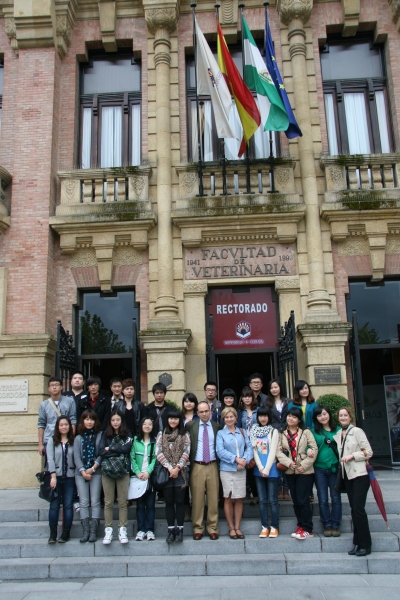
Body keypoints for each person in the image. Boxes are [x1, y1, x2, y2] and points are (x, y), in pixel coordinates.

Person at [334, 406, 373, 556]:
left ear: (350, 417)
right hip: (347, 476)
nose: (343, 418)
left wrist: (353, 456)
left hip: (360, 475)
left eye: (345, 415)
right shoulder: (338, 434)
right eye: (341, 416)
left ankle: (366, 544)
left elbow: (368, 451)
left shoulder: (357, 431)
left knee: (358, 509)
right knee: (354, 510)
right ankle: (357, 542)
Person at [276, 407, 318, 540]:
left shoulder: (306, 432)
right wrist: (288, 463)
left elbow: (314, 449)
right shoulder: (282, 433)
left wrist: (304, 465)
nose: (290, 418)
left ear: (299, 420)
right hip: (290, 471)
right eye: (289, 416)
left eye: (294, 417)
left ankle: (308, 528)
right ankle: (300, 525)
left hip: (304, 472)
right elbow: (278, 452)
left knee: (303, 500)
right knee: (295, 500)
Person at [216, 407, 252, 539]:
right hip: (227, 469)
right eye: (226, 417)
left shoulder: (242, 432)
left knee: (239, 498)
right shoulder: (221, 434)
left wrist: (244, 461)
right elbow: (220, 451)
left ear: (236, 418)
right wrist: (236, 460)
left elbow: (249, 447)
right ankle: (231, 527)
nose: (229, 419)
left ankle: (238, 527)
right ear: (223, 419)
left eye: (231, 417)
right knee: (228, 497)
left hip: (241, 470)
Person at [186, 401, 221, 540]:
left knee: (213, 499)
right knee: (197, 499)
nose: (204, 414)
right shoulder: (190, 426)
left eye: (206, 411)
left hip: (212, 465)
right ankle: (198, 528)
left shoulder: (216, 427)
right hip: (197, 465)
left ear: (210, 411)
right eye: (201, 412)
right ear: (197, 413)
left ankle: (213, 527)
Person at [156, 410, 190, 543]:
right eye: (171, 418)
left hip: (181, 472)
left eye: (176, 419)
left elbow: (187, 451)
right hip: (166, 472)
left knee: (180, 502)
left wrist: (177, 468)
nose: (173, 421)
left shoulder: (185, 434)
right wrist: (170, 468)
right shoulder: (161, 434)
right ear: (167, 420)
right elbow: (158, 451)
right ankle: (170, 530)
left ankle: (180, 530)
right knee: (169, 502)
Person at [99, 410, 133, 545]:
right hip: (107, 471)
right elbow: (101, 451)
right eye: (113, 420)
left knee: (122, 501)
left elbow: (127, 449)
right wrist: (117, 450)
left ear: (121, 421)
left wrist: (110, 448)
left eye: (118, 420)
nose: (115, 423)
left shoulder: (128, 434)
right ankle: (108, 529)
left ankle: (122, 529)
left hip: (123, 471)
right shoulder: (105, 434)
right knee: (108, 502)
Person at [310, 406, 342, 537]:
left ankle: (336, 524)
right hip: (319, 469)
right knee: (322, 498)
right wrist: (308, 450)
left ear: (329, 414)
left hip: (334, 468)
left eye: (324, 414)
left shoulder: (338, 430)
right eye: (319, 415)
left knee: (335, 497)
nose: (322, 417)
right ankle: (327, 524)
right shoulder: (313, 432)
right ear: (316, 418)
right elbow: (309, 445)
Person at [250, 407, 280, 538]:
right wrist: (261, 468)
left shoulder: (273, 431)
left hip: (272, 469)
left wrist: (267, 469)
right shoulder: (253, 431)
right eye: (261, 416)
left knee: (273, 500)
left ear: (269, 417)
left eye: (265, 416)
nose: (263, 418)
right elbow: (254, 450)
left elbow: (273, 452)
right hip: (259, 470)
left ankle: (274, 526)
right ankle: (264, 526)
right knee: (262, 500)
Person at [74, 409, 103, 543]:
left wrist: (92, 468)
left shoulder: (100, 435)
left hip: (96, 472)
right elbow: (76, 456)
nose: (89, 422)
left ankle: (93, 531)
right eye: (86, 419)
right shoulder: (78, 438)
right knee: (84, 502)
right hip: (81, 474)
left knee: (95, 501)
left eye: (92, 419)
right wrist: (83, 472)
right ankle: (85, 531)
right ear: (83, 421)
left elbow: (101, 453)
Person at [47, 415, 76, 544]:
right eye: (61, 425)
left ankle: (66, 533)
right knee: (54, 506)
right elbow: (50, 459)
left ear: (69, 426)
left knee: (68, 505)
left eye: (66, 424)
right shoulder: (52, 441)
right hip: (56, 478)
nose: (64, 427)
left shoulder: (74, 440)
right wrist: (53, 476)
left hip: (70, 477)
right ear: (57, 427)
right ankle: (53, 533)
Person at [38, 377, 77, 461]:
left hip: (66, 438)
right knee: (50, 463)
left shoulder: (70, 401)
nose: (54, 387)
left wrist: (72, 438)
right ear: (48, 388)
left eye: (57, 385)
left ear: (61, 387)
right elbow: (41, 424)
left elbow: (73, 420)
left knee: (67, 463)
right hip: (49, 438)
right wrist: (40, 444)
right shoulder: (44, 405)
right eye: (52, 385)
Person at [131, 417, 157, 541]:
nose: (147, 426)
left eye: (150, 424)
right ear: (141, 426)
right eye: (145, 424)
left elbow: (155, 459)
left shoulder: (155, 441)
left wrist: (148, 472)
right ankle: (141, 529)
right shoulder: (135, 441)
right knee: (140, 505)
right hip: (138, 478)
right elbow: (132, 458)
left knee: (150, 505)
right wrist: (137, 472)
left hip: (149, 477)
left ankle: (150, 530)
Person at [266, 379, 290, 500]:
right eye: (271, 388)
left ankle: (286, 488)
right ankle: (278, 488)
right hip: (273, 434)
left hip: (287, 433)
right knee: (276, 461)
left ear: (280, 388)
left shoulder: (288, 401)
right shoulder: (267, 402)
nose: (274, 390)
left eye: (276, 387)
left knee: (286, 459)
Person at [238, 386, 259, 505]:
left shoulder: (258, 410)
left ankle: (259, 494)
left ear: (253, 398)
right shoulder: (240, 412)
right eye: (245, 397)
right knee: (249, 469)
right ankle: (251, 493)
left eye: (249, 396)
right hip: (245, 444)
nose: (247, 399)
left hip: (258, 444)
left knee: (258, 468)